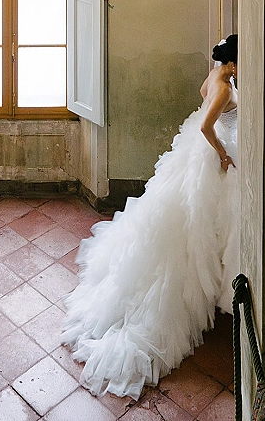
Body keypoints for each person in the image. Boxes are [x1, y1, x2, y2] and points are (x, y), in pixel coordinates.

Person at [62, 35, 239, 399]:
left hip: (197, 151)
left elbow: (200, 89)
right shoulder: (225, 88)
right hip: (210, 152)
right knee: (198, 224)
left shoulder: (216, 75)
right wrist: (222, 154)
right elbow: (207, 126)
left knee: (190, 218)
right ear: (233, 64)